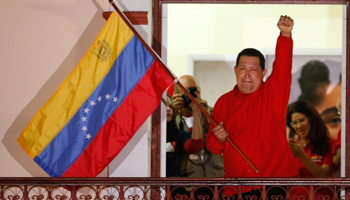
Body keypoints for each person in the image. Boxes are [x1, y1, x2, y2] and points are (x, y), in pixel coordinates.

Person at [205, 15, 299, 197]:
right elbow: (212, 147)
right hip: (235, 188)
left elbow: (283, 66)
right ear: (235, 70)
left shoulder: (273, 94)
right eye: (242, 69)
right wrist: (218, 139)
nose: (247, 75)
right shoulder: (223, 102)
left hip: (273, 185)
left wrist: (285, 36)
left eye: (253, 70)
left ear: (263, 73)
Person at [171, 75, 224, 199]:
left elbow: (227, 142)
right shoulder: (171, 118)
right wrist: (172, 113)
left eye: (196, 92)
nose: (193, 96)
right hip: (187, 185)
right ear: (177, 95)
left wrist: (209, 120)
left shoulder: (213, 113)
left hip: (215, 182)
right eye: (187, 93)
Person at [286, 100, 339, 198]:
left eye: (302, 120)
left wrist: (302, 155)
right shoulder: (291, 147)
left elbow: (324, 176)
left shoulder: (329, 144)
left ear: (312, 119)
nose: (299, 126)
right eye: (294, 123)